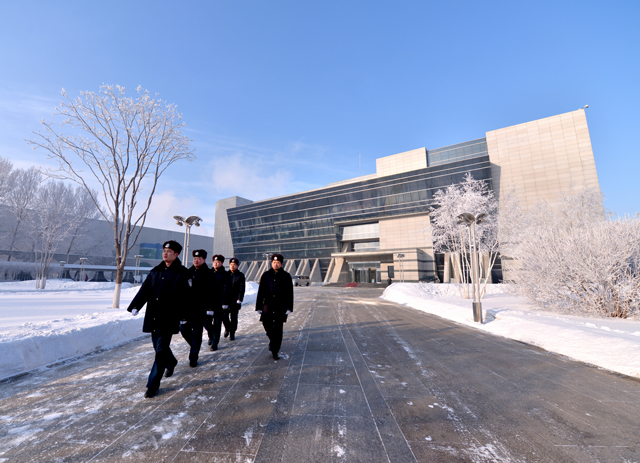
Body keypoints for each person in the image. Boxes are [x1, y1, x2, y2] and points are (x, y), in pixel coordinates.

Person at [127, 240, 191, 398]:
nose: (165, 253)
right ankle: (172, 362)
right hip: (153, 316)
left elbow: (186, 297)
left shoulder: (182, 273)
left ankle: (152, 385)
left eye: (169, 251)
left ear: (176, 254)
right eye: (164, 251)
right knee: (158, 348)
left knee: (160, 351)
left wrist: (184, 316)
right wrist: (135, 306)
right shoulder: (156, 271)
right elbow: (145, 290)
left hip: (169, 318)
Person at [255, 253, 293, 360]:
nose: (275, 264)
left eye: (278, 263)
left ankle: (275, 350)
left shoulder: (286, 276)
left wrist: (289, 307)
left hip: (280, 306)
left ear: (281, 264)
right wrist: (259, 306)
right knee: (266, 323)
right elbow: (261, 291)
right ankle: (272, 340)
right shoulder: (266, 275)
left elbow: (289, 293)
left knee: (278, 328)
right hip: (267, 305)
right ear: (271, 263)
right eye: (274, 262)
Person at [181, 249, 212, 368]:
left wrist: (210, 308)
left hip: (201, 309)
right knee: (184, 330)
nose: (196, 260)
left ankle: (193, 356)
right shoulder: (188, 272)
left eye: (199, 259)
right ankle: (195, 345)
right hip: (188, 309)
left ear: (204, 260)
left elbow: (213, 293)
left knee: (197, 332)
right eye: (195, 258)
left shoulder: (209, 273)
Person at [209, 254, 229, 351]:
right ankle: (211, 336)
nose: (215, 264)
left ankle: (215, 342)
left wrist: (225, 302)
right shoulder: (209, 273)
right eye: (214, 262)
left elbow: (226, 289)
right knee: (207, 323)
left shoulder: (225, 274)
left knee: (217, 324)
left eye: (218, 262)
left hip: (219, 303)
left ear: (222, 263)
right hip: (208, 303)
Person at [223, 257, 245, 341]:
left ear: (237, 266)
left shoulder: (240, 275)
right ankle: (227, 328)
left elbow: (242, 288)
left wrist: (239, 299)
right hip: (226, 300)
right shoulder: (226, 274)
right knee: (224, 316)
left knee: (234, 318)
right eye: (231, 265)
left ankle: (232, 333)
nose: (232, 266)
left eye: (234, 265)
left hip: (235, 300)